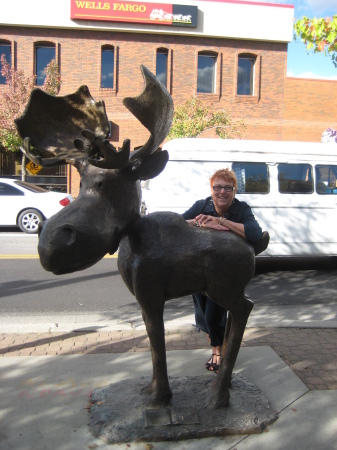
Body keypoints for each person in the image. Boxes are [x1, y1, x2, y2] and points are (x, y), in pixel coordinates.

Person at [182, 168, 263, 373]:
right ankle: (217, 348)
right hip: (198, 270)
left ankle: (218, 353)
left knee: (213, 316)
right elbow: (177, 224)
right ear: (211, 189)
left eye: (228, 188)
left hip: (225, 272)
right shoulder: (202, 206)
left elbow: (255, 234)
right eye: (217, 187)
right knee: (202, 317)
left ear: (234, 191)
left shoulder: (241, 209)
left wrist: (221, 221)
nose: (222, 192)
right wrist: (198, 221)